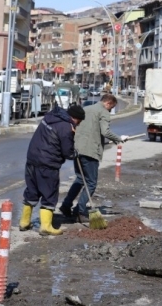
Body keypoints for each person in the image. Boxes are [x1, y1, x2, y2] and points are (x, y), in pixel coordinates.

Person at [20, 104, 85, 235]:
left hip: (32, 159)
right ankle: (46, 226)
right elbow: (67, 152)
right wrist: (75, 153)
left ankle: (24, 222)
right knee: (49, 193)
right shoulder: (66, 127)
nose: (78, 124)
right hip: (48, 164)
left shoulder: (50, 117)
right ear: (75, 118)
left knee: (32, 190)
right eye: (79, 121)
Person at [60, 94, 128, 219]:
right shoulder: (103, 112)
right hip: (90, 152)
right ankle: (79, 210)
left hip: (77, 149)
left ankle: (66, 205)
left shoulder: (86, 109)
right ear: (108, 103)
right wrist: (119, 139)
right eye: (111, 108)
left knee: (80, 179)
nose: (110, 110)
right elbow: (105, 131)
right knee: (91, 183)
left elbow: (88, 131)